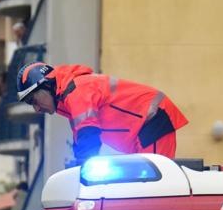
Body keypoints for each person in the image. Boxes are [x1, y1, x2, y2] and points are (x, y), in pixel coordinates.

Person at [17, 61, 188, 162]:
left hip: (153, 119)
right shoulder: (69, 99)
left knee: (153, 189)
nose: (37, 109)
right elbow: (81, 143)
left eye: (34, 101)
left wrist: (82, 173)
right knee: (144, 188)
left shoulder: (77, 91)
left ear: (46, 85)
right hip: (145, 124)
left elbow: (88, 135)